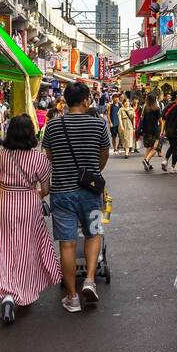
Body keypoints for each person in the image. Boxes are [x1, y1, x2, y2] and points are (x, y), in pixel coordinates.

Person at [0, 115, 62, 325]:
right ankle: (20, 292)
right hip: (29, 204)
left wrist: (9, 191)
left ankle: (7, 294)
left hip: (4, 203)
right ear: (31, 134)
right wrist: (31, 194)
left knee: (1, 248)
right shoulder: (39, 159)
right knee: (25, 249)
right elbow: (46, 189)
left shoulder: (0, 157)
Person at [40, 82, 110, 312]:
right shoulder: (99, 125)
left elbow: (48, 158)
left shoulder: (52, 127)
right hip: (91, 193)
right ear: (85, 101)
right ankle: (90, 280)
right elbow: (103, 157)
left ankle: (72, 297)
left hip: (62, 193)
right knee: (93, 233)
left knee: (67, 244)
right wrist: (91, 172)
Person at [160, 91, 177, 173]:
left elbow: (163, 120)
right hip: (176, 131)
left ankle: (165, 161)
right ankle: (173, 167)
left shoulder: (166, 107)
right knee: (176, 148)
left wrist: (162, 131)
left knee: (172, 146)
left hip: (168, 131)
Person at [138, 94, 162, 173]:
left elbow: (142, 118)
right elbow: (160, 121)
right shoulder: (157, 109)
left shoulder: (145, 108)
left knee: (148, 147)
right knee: (156, 148)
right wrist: (162, 130)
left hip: (146, 131)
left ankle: (147, 163)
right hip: (154, 131)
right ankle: (146, 160)